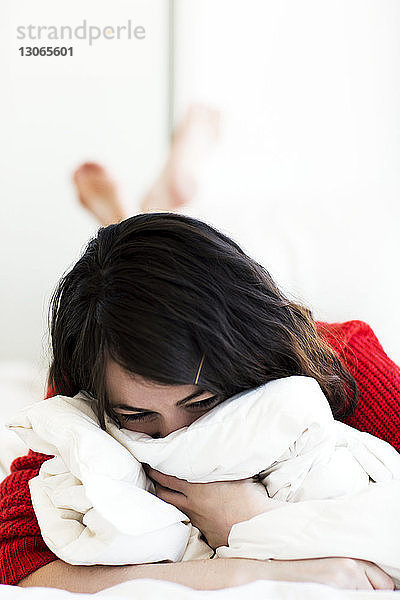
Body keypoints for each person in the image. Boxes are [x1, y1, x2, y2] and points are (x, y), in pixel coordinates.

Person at [1, 110, 399, 593]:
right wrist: (256, 566)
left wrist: (249, 519)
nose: (176, 440)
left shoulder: (348, 360)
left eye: (202, 403)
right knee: (119, 293)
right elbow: (11, 555)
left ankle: (146, 211)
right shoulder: (90, 375)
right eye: (139, 417)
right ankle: (139, 217)